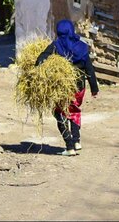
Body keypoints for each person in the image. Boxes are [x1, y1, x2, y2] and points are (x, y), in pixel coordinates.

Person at [35, 19, 99, 156]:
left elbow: (41, 59)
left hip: (62, 88)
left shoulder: (56, 46)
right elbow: (89, 69)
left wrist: (38, 69)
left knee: (59, 113)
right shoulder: (82, 47)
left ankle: (69, 146)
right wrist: (94, 88)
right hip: (79, 88)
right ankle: (76, 141)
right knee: (74, 111)